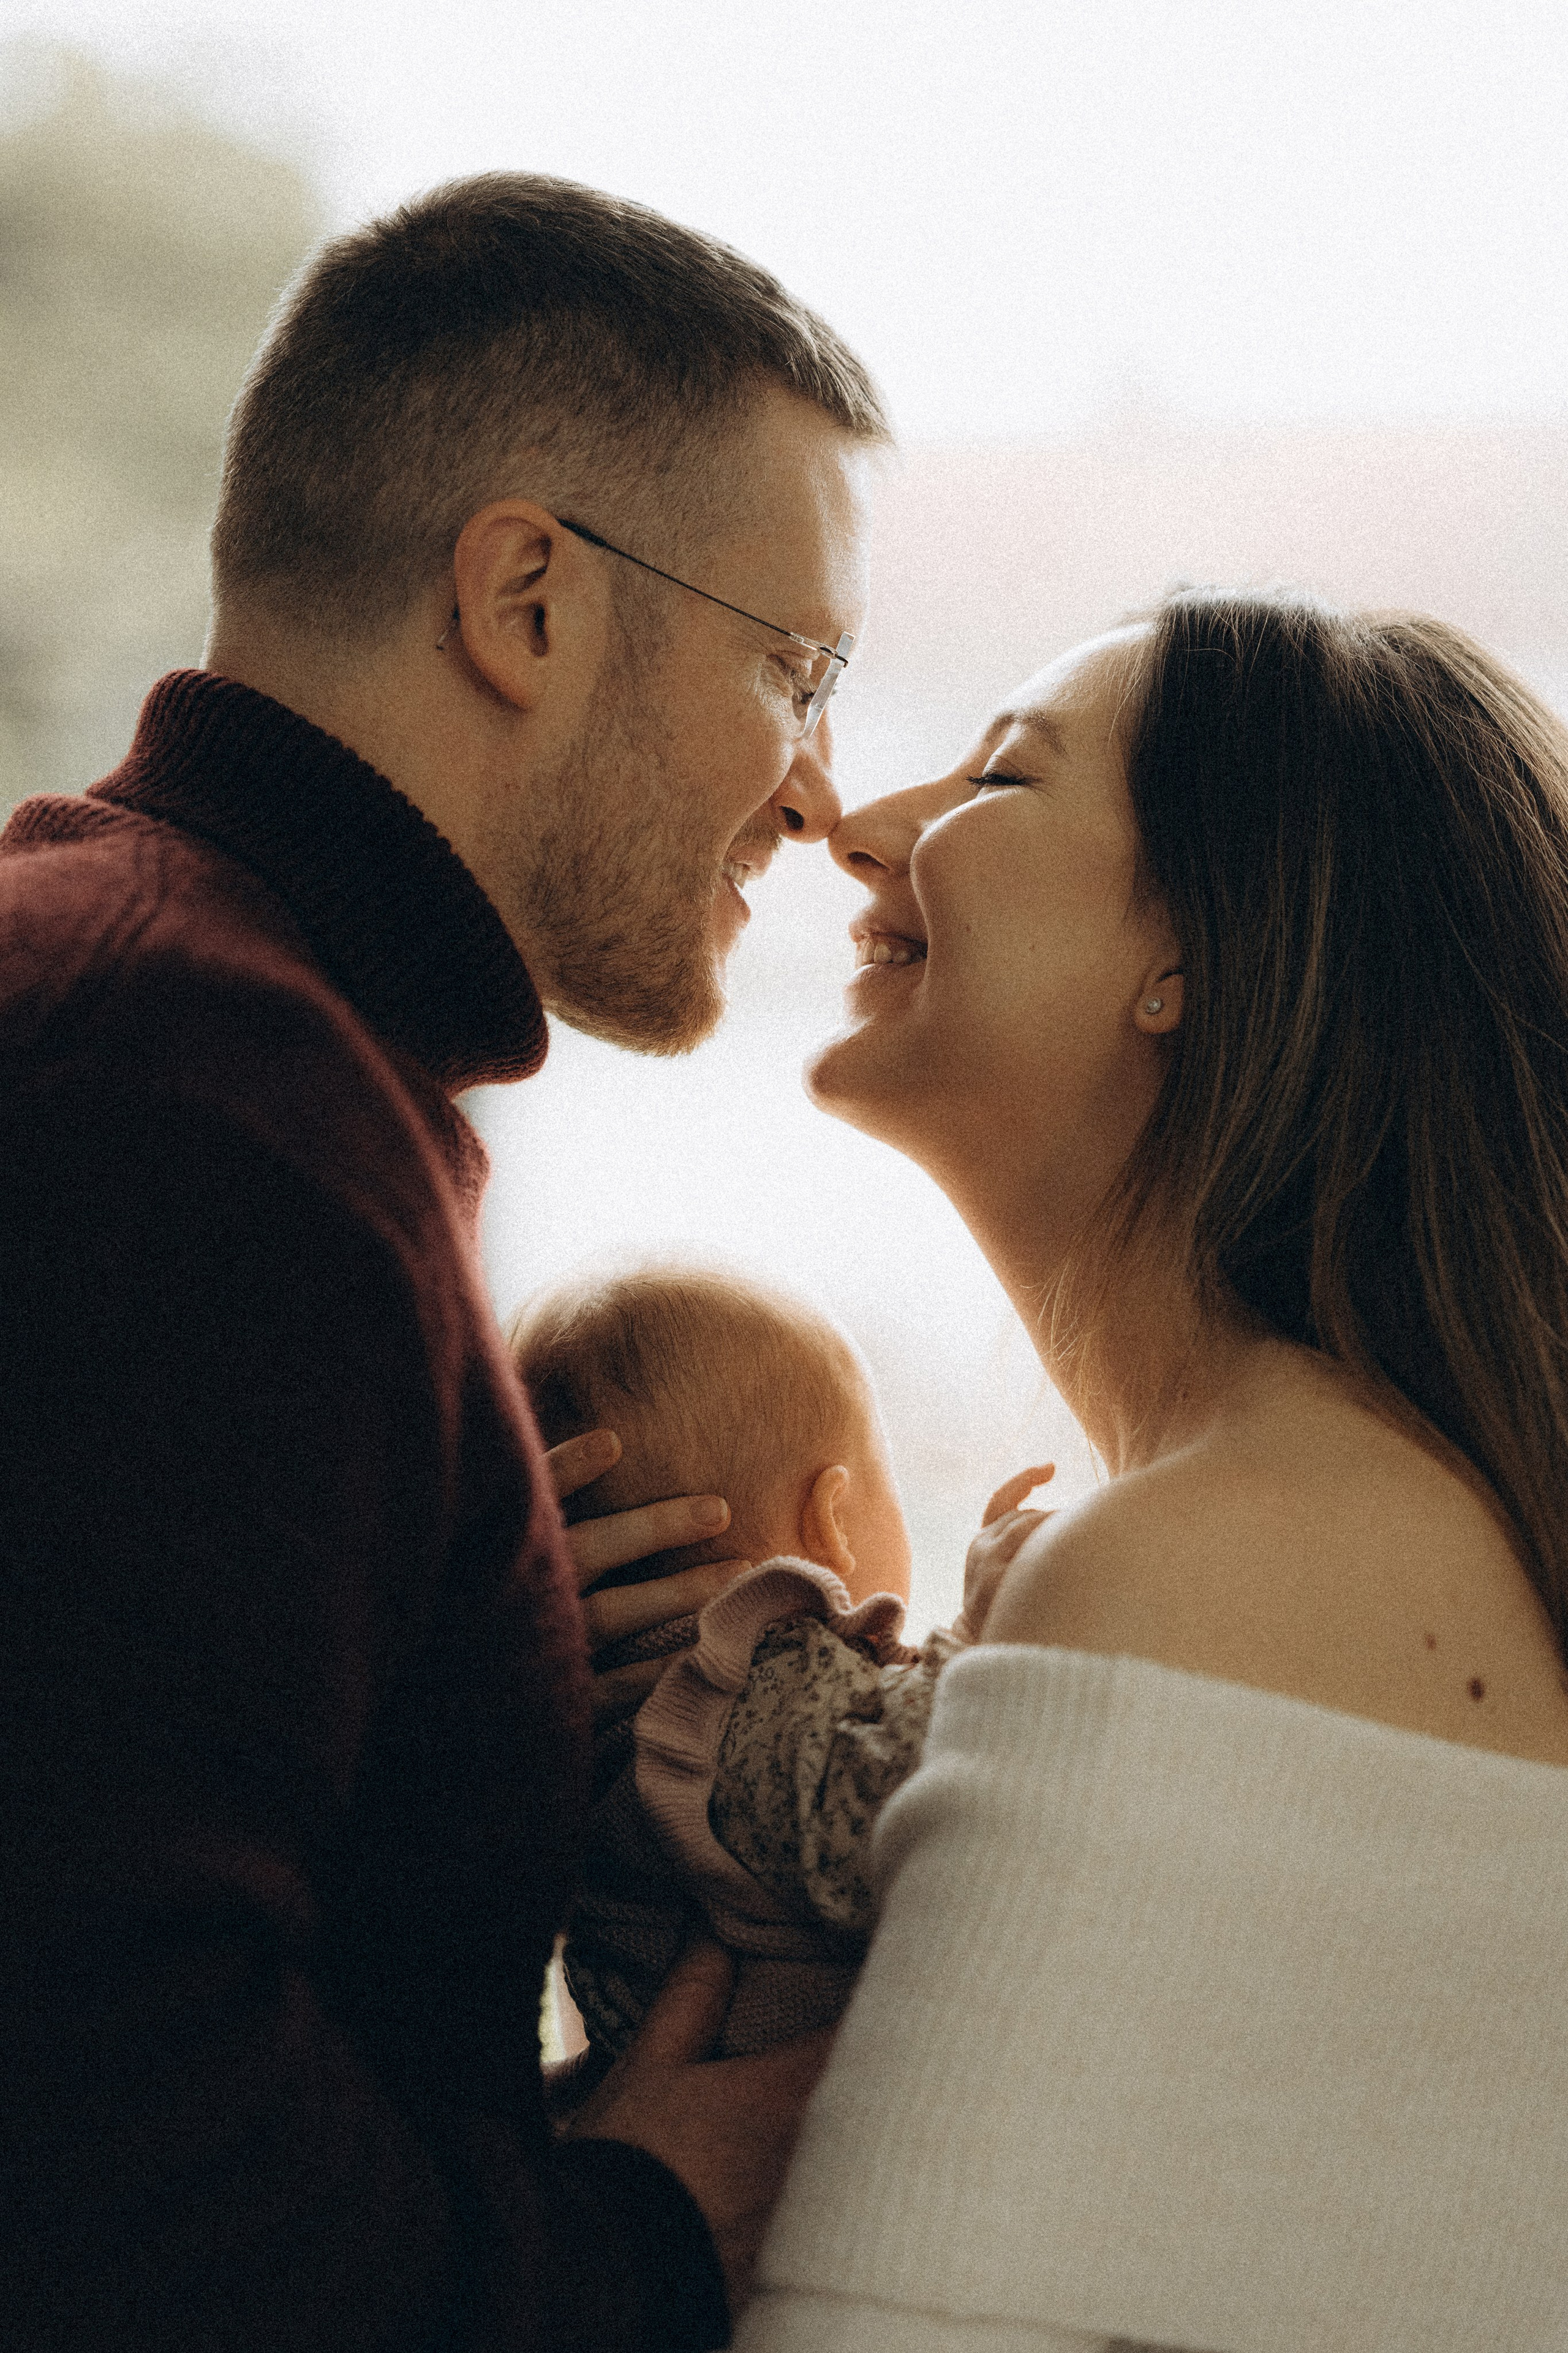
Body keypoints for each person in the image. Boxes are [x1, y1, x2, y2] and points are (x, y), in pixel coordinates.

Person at [0, 173, 889, 2352]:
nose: (821, 795)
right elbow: (103, 2149)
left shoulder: (205, 1023)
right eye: (799, 665)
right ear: (528, 600)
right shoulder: (189, 1093)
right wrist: (643, 2233)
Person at [737, 592, 1568, 2351]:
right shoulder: (1401, 1518)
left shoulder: (1204, 1565)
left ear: (1192, 945)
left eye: (1002, 778)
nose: (862, 830)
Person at [509, 1260, 1051, 2075]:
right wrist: (985, 1629)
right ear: (829, 1516)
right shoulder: (752, 1696)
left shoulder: (576, 1741)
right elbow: (913, 1804)